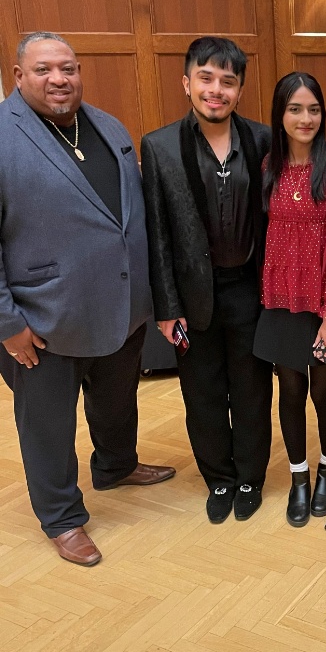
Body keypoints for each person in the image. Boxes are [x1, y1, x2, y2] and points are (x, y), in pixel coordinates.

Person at [0, 32, 175, 566]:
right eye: (45, 69)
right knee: (48, 423)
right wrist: (7, 323)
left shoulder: (107, 125)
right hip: (43, 318)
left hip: (123, 309)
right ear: (18, 75)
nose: (59, 79)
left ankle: (116, 465)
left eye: (69, 68)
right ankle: (61, 516)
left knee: (118, 399)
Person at [141, 37, 273, 525]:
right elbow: (158, 234)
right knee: (202, 391)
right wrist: (166, 307)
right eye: (206, 78)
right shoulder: (158, 146)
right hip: (190, 297)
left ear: (239, 90)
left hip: (250, 289)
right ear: (187, 82)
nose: (216, 90)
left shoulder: (263, 140)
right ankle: (218, 476)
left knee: (253, 388)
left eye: (228, 81)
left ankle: (249, 478)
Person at [253, 72, 326, 527]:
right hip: (281, 299)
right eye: (295, 109)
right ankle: (299, 477)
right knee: (290, 390)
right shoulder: (269, 166)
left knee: (322, 390)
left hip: (325, 304)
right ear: (280, 114)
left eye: (313, 109)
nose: (305, 118)